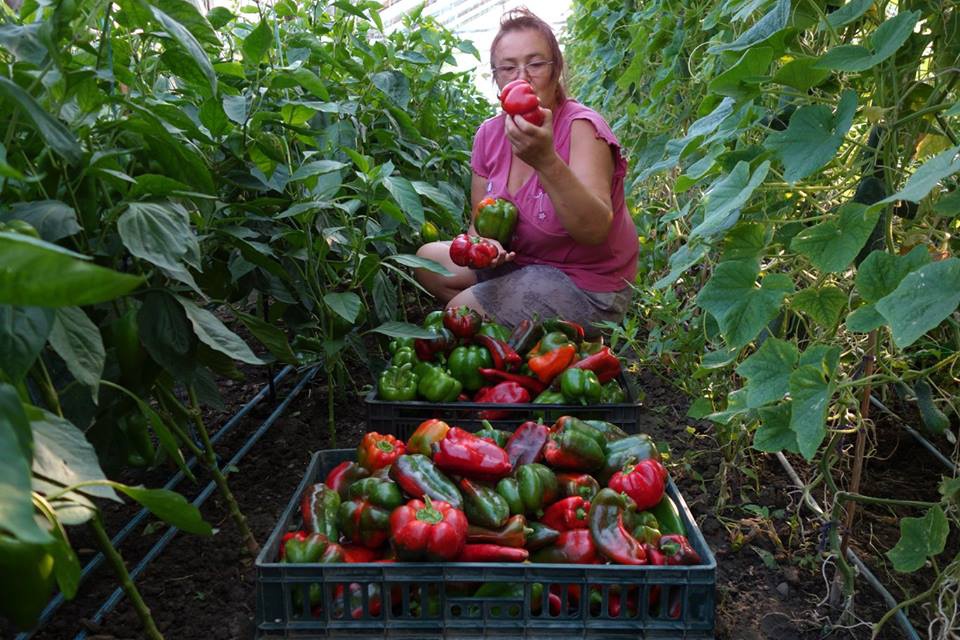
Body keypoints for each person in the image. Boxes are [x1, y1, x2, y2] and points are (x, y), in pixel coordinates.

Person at [415, 8, 638, 338]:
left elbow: (594, 230)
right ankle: (528, 338)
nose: (522, 77)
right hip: (520, 265)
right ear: (497, 78)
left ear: (556, 69)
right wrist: (486, 246)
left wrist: (545, 160)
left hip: (584, 282)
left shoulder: (582, 128)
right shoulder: (489, 136)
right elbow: (479, 225)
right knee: (425, 262)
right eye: (508, 67)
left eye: (535, 64)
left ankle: (554, 337)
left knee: (460, 312)